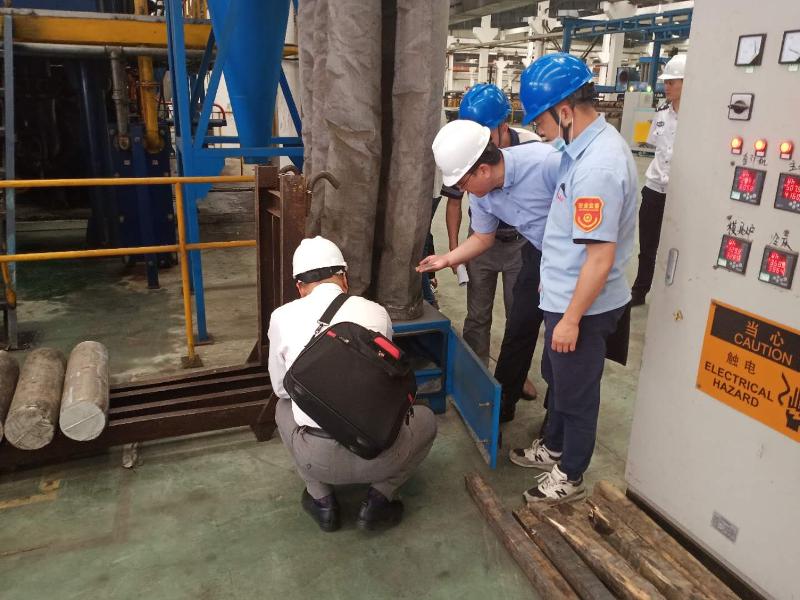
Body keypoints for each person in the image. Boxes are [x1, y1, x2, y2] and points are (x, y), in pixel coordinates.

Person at [509, 53, 637, 504]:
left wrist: (570, 319)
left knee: (577, 392)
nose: (538, 129)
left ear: (564, 112)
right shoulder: (576, 150)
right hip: (564, 296)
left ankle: (571, 474)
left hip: (584, 307)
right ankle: (555, 446)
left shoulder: (598, 167)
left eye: (540, 120)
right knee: (559, 379)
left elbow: (600, 259)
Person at [269, 236, 437, 532]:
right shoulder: (376, 312)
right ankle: (379, 499)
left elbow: (282, 388)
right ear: (343, 278)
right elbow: (387, 376)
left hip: (317, 458)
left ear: (300, 286)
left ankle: (321, 501)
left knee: (283, 406)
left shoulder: (281, 317)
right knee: (426, 420)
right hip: (381, 454)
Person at [417, 119, 560, 423]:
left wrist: (560, 270)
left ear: (482, 170)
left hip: (570, 255)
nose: (462, 191)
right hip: (537, 251)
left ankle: (555, 422)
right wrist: (447, 259)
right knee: (520, 325)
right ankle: (503, 405)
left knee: (559, 338)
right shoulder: (483, 194)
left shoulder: (547, 164)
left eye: (463, 184)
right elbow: (483, 237)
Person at [452, 83, 541, 404]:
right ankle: (476, 375)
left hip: (521, 243)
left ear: (504, 126)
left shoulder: (532, 146)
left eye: (485, 133)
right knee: (478, 314)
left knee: (520, 315)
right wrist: (455, 254)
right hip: (482, 240)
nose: (479, 143)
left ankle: (514, 374)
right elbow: (454, 201)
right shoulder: (465, 150)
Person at [631, 53, 686, 306]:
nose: (667, 86)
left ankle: (674, 295)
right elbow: (657, 148)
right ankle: (640, 290)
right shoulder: (662, 113)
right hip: (654, 189)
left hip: (680, 192)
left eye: (672, 82)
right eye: (666, 82)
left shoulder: (699, 119)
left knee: (677, 245)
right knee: (647, 245)